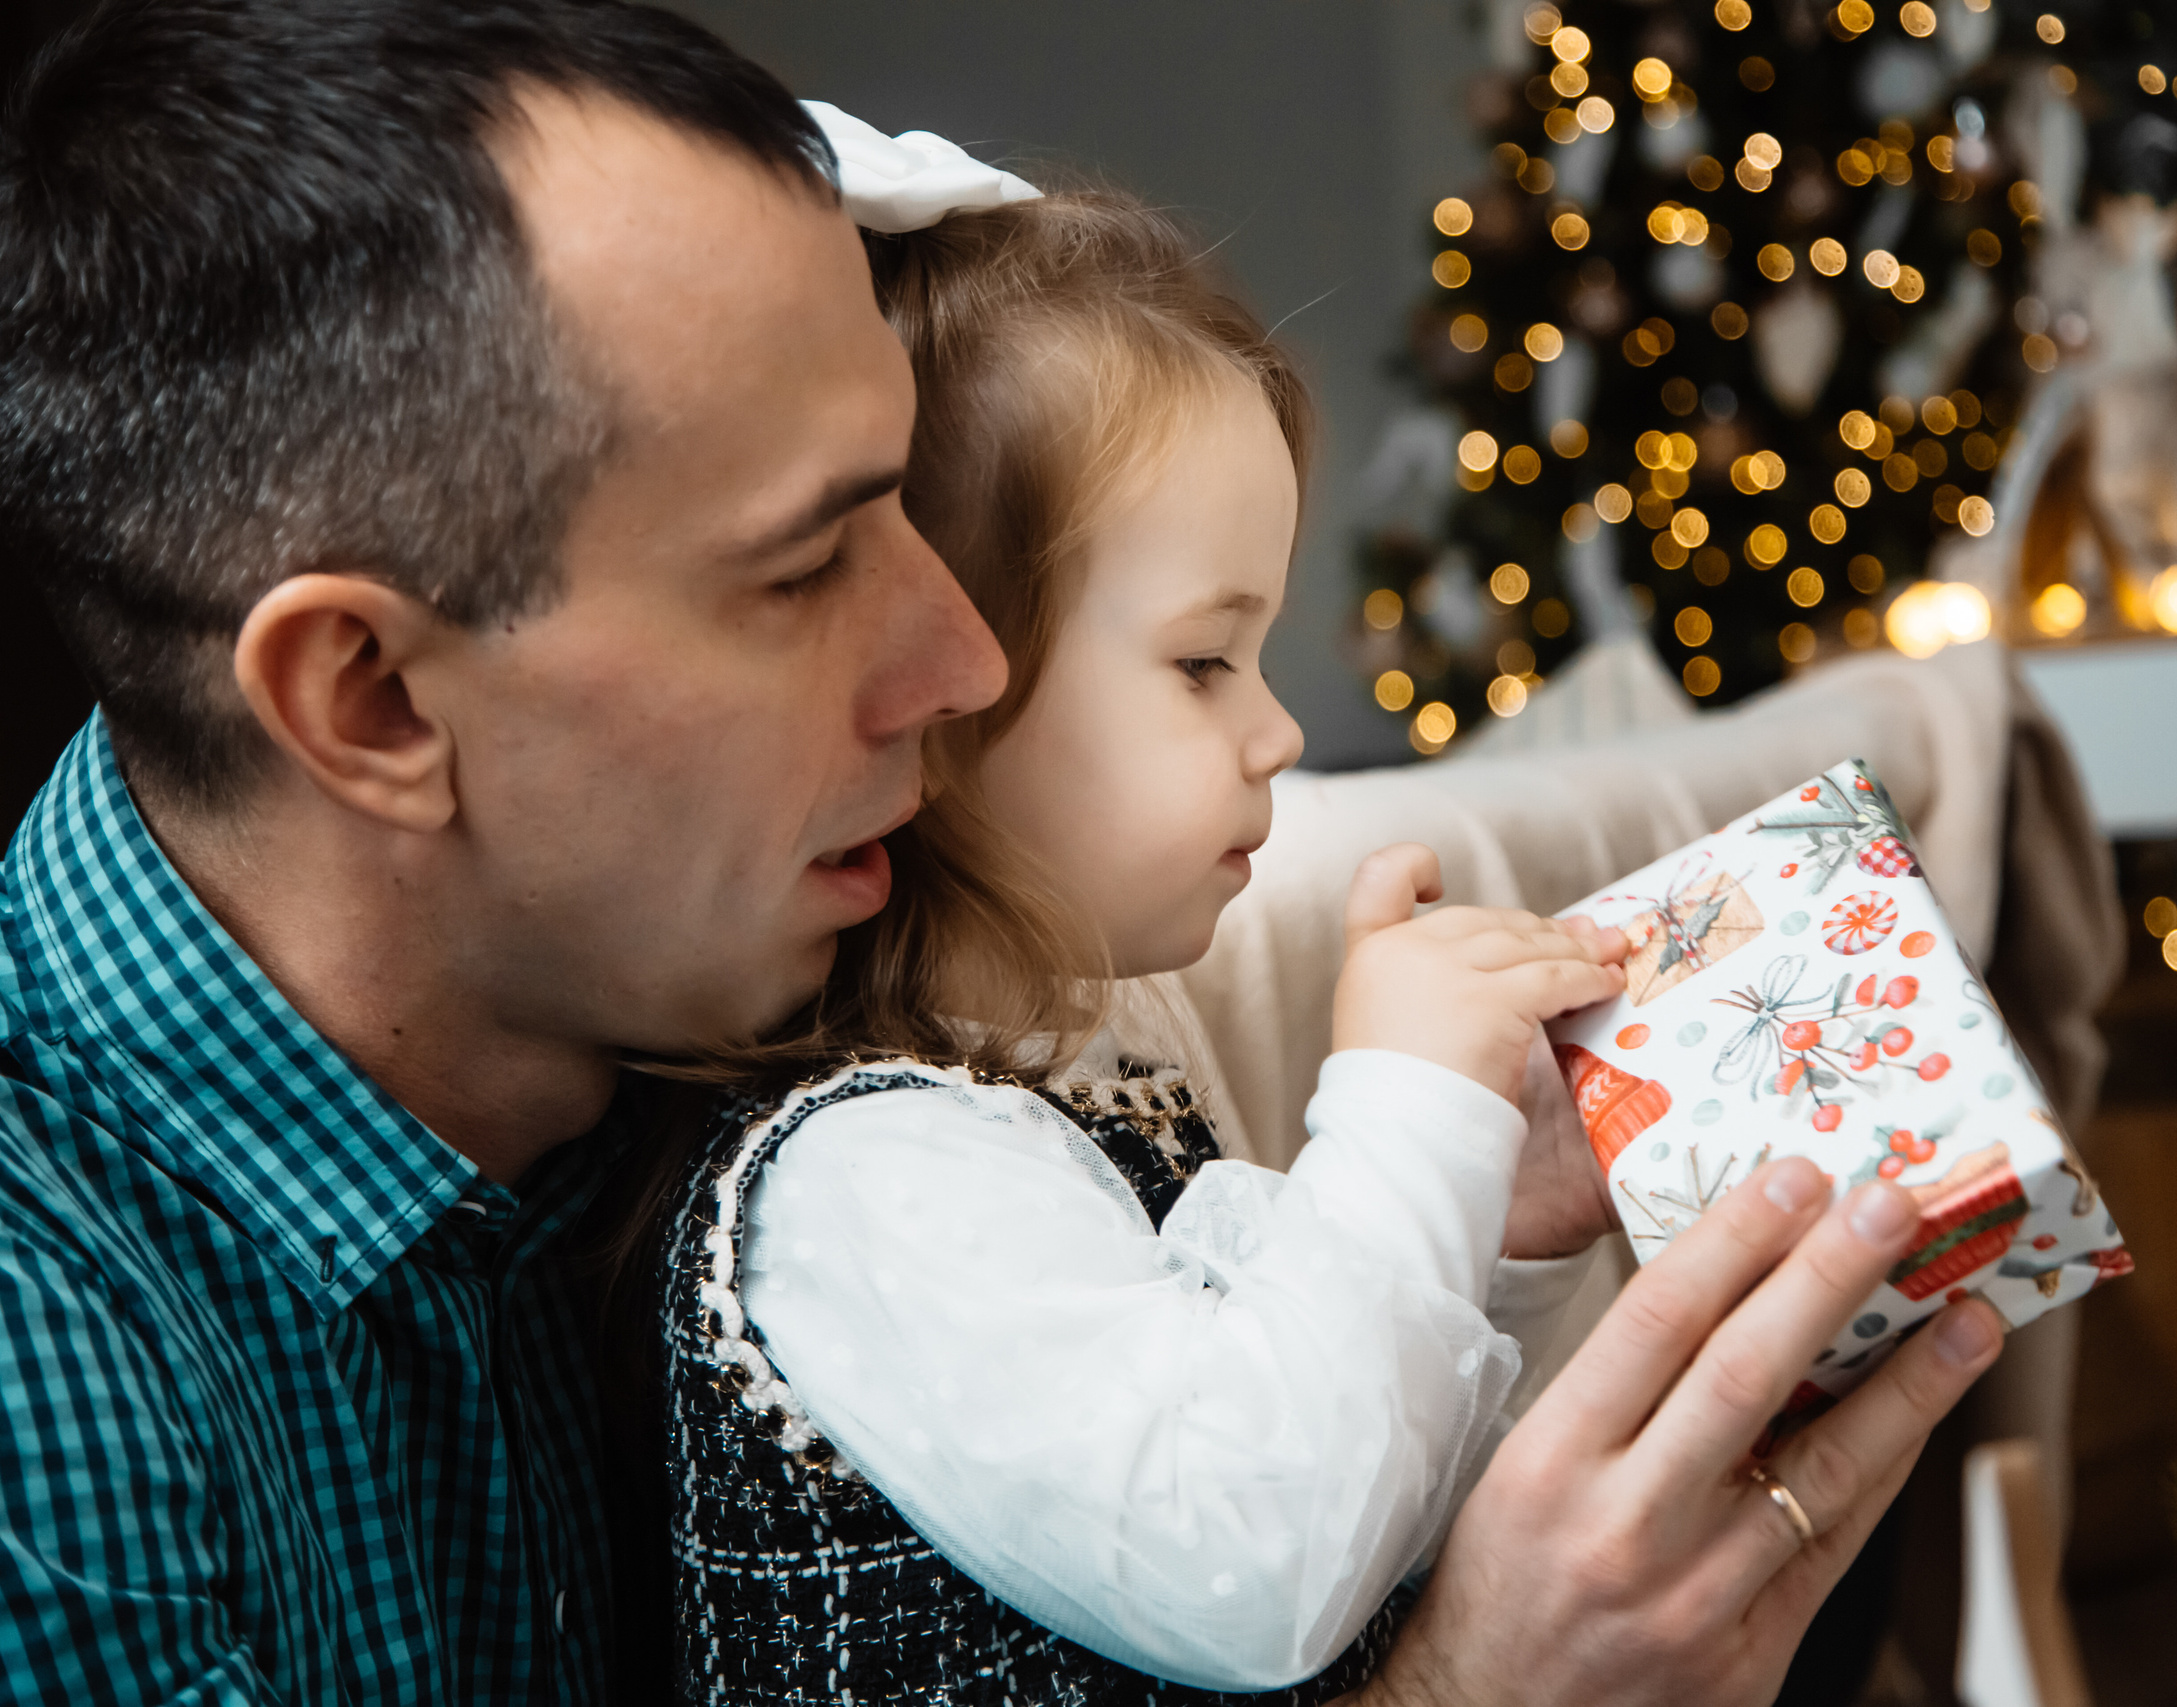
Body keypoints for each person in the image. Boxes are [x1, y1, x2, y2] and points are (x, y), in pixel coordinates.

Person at [0, 2, 2002, 1701]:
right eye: (802, 566)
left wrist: (1447, 1201)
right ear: (370, 703)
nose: (961, 664)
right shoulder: (52, 1402)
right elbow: (1239, 1528)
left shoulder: (703, 1006)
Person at [647, 164, 1635, 1700]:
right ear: (942, 684)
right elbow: (1264, 1568)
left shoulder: (1090, 1072)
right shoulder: (865, 1183)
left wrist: (1486, 1230)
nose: (1281, 734)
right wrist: (1404, 1111)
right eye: (1202, 664)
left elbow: (1359, 1520)